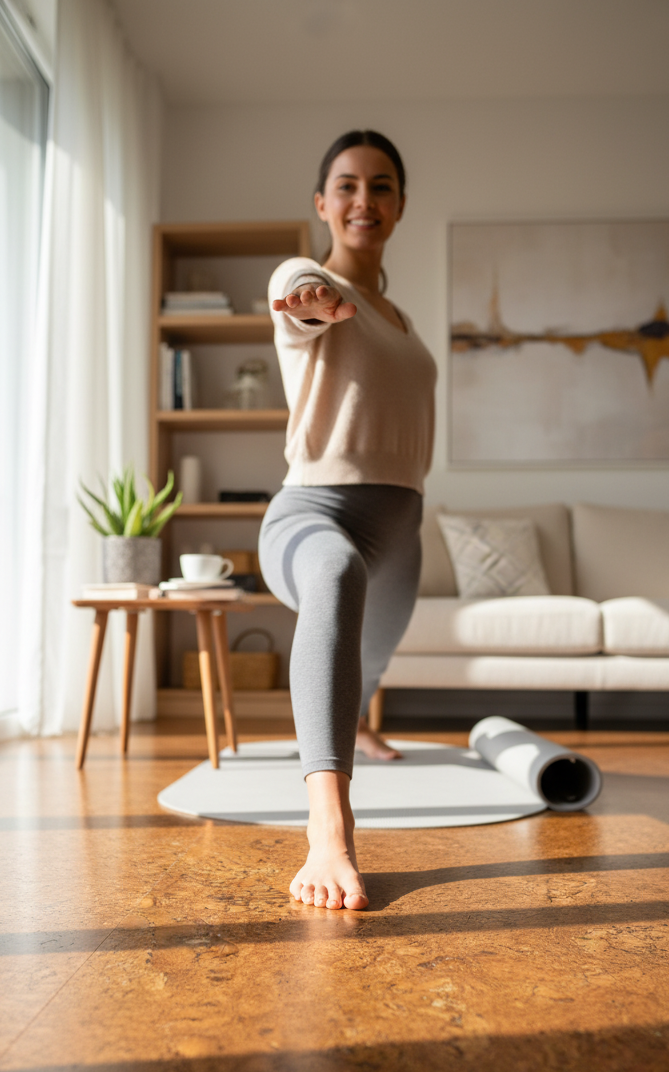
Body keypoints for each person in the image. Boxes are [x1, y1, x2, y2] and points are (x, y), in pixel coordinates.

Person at [258, 130, 437, 911]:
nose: (365, 198)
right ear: (323, 204)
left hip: (401, 525)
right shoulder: (317, 288)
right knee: (332, 576)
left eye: (382, 186)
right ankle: (328, 830)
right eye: (348, 184)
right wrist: (311, 294)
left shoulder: (399, 318)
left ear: (398, 206)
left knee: (372, 658)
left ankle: (355, 722)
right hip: (312, 512)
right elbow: (292, 285)